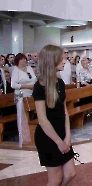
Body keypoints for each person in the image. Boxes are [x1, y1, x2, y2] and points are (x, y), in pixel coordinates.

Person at [33, 45, 76, 185]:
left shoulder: (60, 83)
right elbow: (43, 120)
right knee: (55, 178)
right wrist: (59, 142)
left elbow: (65, 111)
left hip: (62, 132)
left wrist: (68, 136)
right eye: (62, 58)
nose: (65, 60)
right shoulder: (40, 86)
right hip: (48, 137)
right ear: (52, 60)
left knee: (70, 173)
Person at [11, 53, 37, 147]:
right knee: (24, 117)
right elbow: (13, 85)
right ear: (18, 60)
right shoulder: (15, 71)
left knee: (32, 115)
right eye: (22, 59)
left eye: (25, 59)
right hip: (22, 95)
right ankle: (25, 138)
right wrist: (27, 86)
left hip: (31, 95)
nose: (24, 61)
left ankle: (34, 135)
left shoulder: (29, 68)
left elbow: (34, 79)